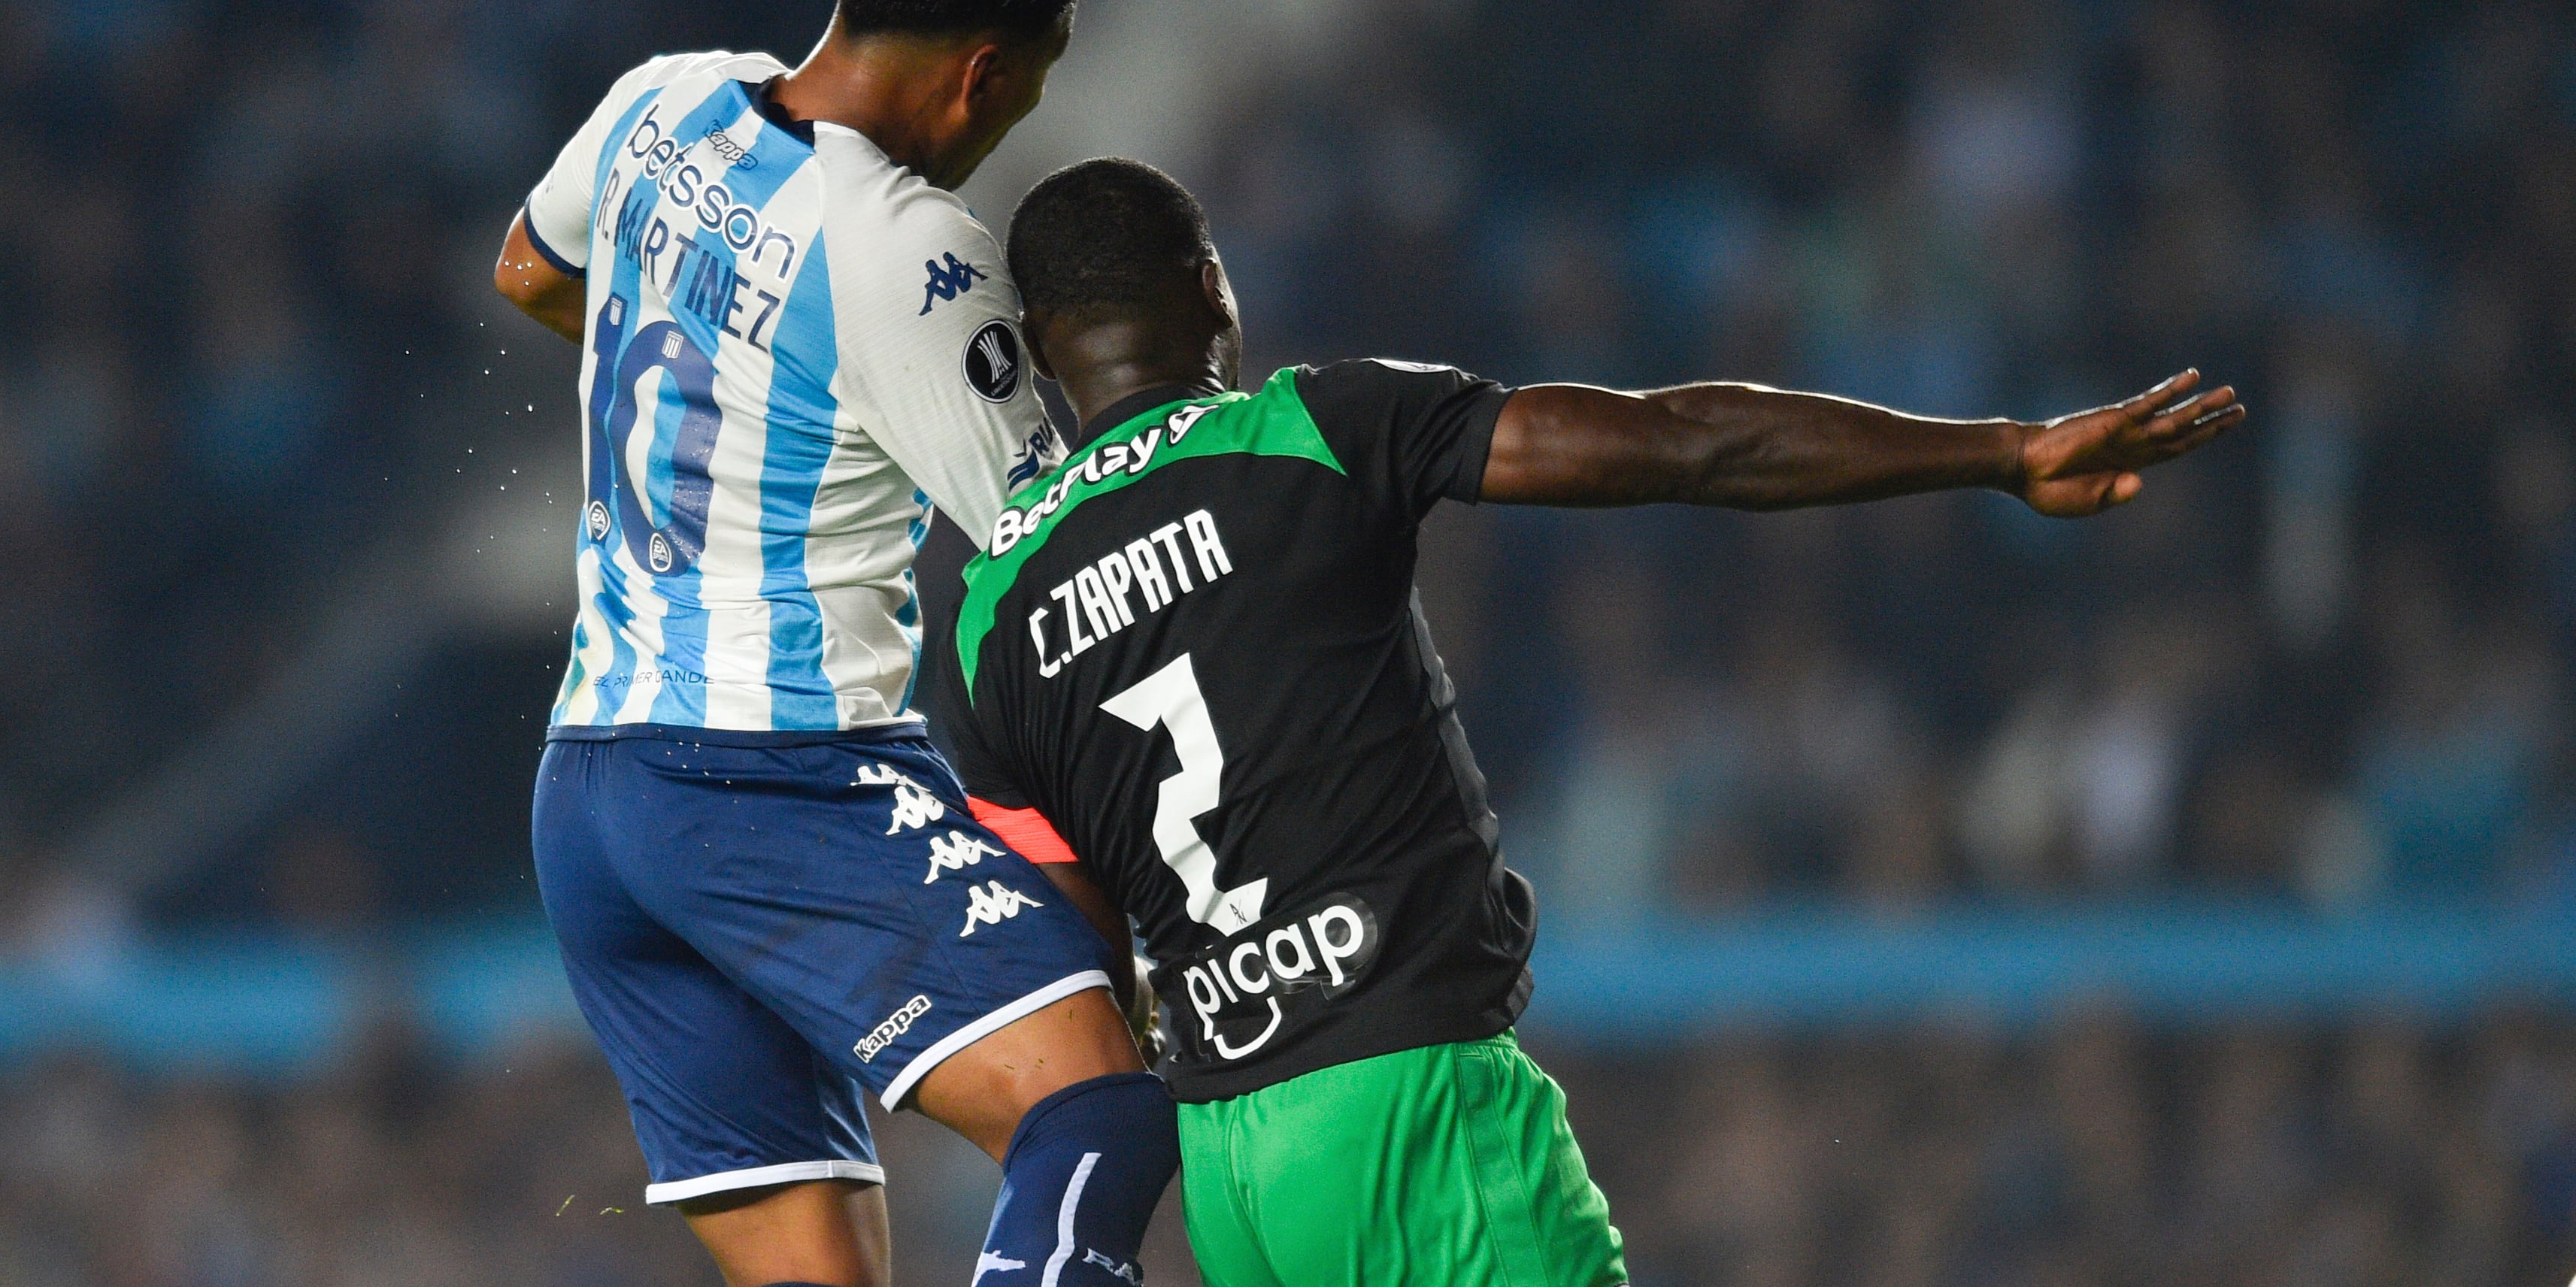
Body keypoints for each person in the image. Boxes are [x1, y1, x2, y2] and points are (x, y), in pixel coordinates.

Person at [942, 158, 2246, 1287]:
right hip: (1415, 1101)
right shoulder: (1310, 432)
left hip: (1236, 1177)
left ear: (1048, 349)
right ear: (1212, 290)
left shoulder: (992, 613)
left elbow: (1077, 962)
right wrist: (2004, 452)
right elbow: (1689, 443)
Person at [492, 0, 1174, 1287]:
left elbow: (535, 274)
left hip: (592, 794)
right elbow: (1057, 551)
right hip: (777, 774)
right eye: (1035, 88)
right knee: (1100, 1107)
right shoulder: (908, 250)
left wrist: (747, 388)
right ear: (985, 74)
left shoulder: (658, 102)